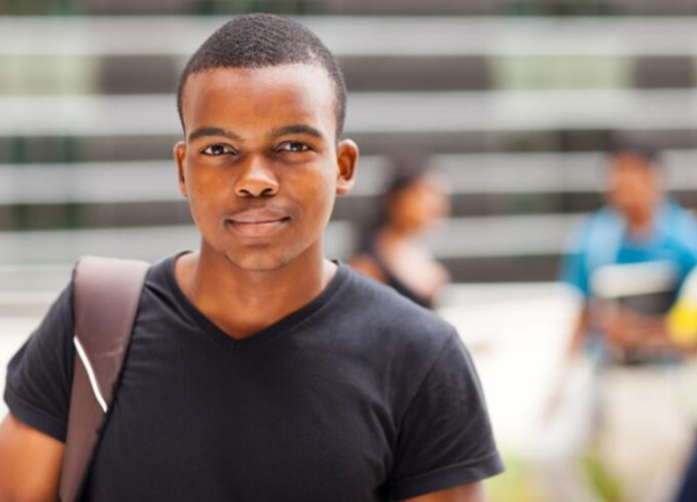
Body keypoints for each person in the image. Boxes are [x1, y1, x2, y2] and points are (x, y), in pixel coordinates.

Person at [0, 14, 503, 502]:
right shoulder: (91, 323)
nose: (255, 179)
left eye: (292, 145)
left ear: (343, 166)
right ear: (183, 170)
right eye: (219, 150)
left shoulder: (422, 358)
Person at [554, 144, 697, 502]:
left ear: (653, 179)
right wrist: (559, 381)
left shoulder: (684, 241)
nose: (622, 186)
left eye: (631, 176)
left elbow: (689, 332)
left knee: (654, 480)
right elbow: (582, 313)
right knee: (553, 452)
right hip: (604, 372)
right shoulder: (594, 237)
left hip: (664, 380)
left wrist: (636, 332)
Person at [350, 153, 450, 309]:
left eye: (439, 195)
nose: (435, 203)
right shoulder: (368, 263)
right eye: (425, 193)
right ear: (397, 199)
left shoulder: (417, 247)